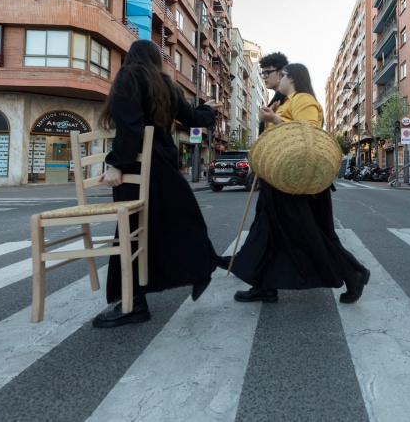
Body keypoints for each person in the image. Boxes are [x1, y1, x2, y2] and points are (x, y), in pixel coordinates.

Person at [93, 40, 223, 328]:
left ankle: (134, 303)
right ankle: (193, 270)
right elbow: (193, 119)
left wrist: (118, 164)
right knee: (161, 226)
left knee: (131, 231)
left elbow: (130, 125)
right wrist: (207, 110)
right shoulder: (167, 85)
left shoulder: (129, 76)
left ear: (131, 57)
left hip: (138, 166)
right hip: (163, 164)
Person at [230, 63, 370, 304]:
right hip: (280, 177)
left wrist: (274, 119)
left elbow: (309, 137)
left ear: (292, 78)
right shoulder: (287, 102)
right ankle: (265, 285)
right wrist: (271, 119)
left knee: (304, 233)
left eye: (281, 75)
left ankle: (353, 272)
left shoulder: (303, 99)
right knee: (267, 230)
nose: (279, 79)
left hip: (295, 181)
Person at [258, 52, 289, 135]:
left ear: (281, 72)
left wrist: (273, 118)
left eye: (267, 72)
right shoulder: (277, 98)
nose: (264, 77)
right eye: (262, 73)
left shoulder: (289, 98)